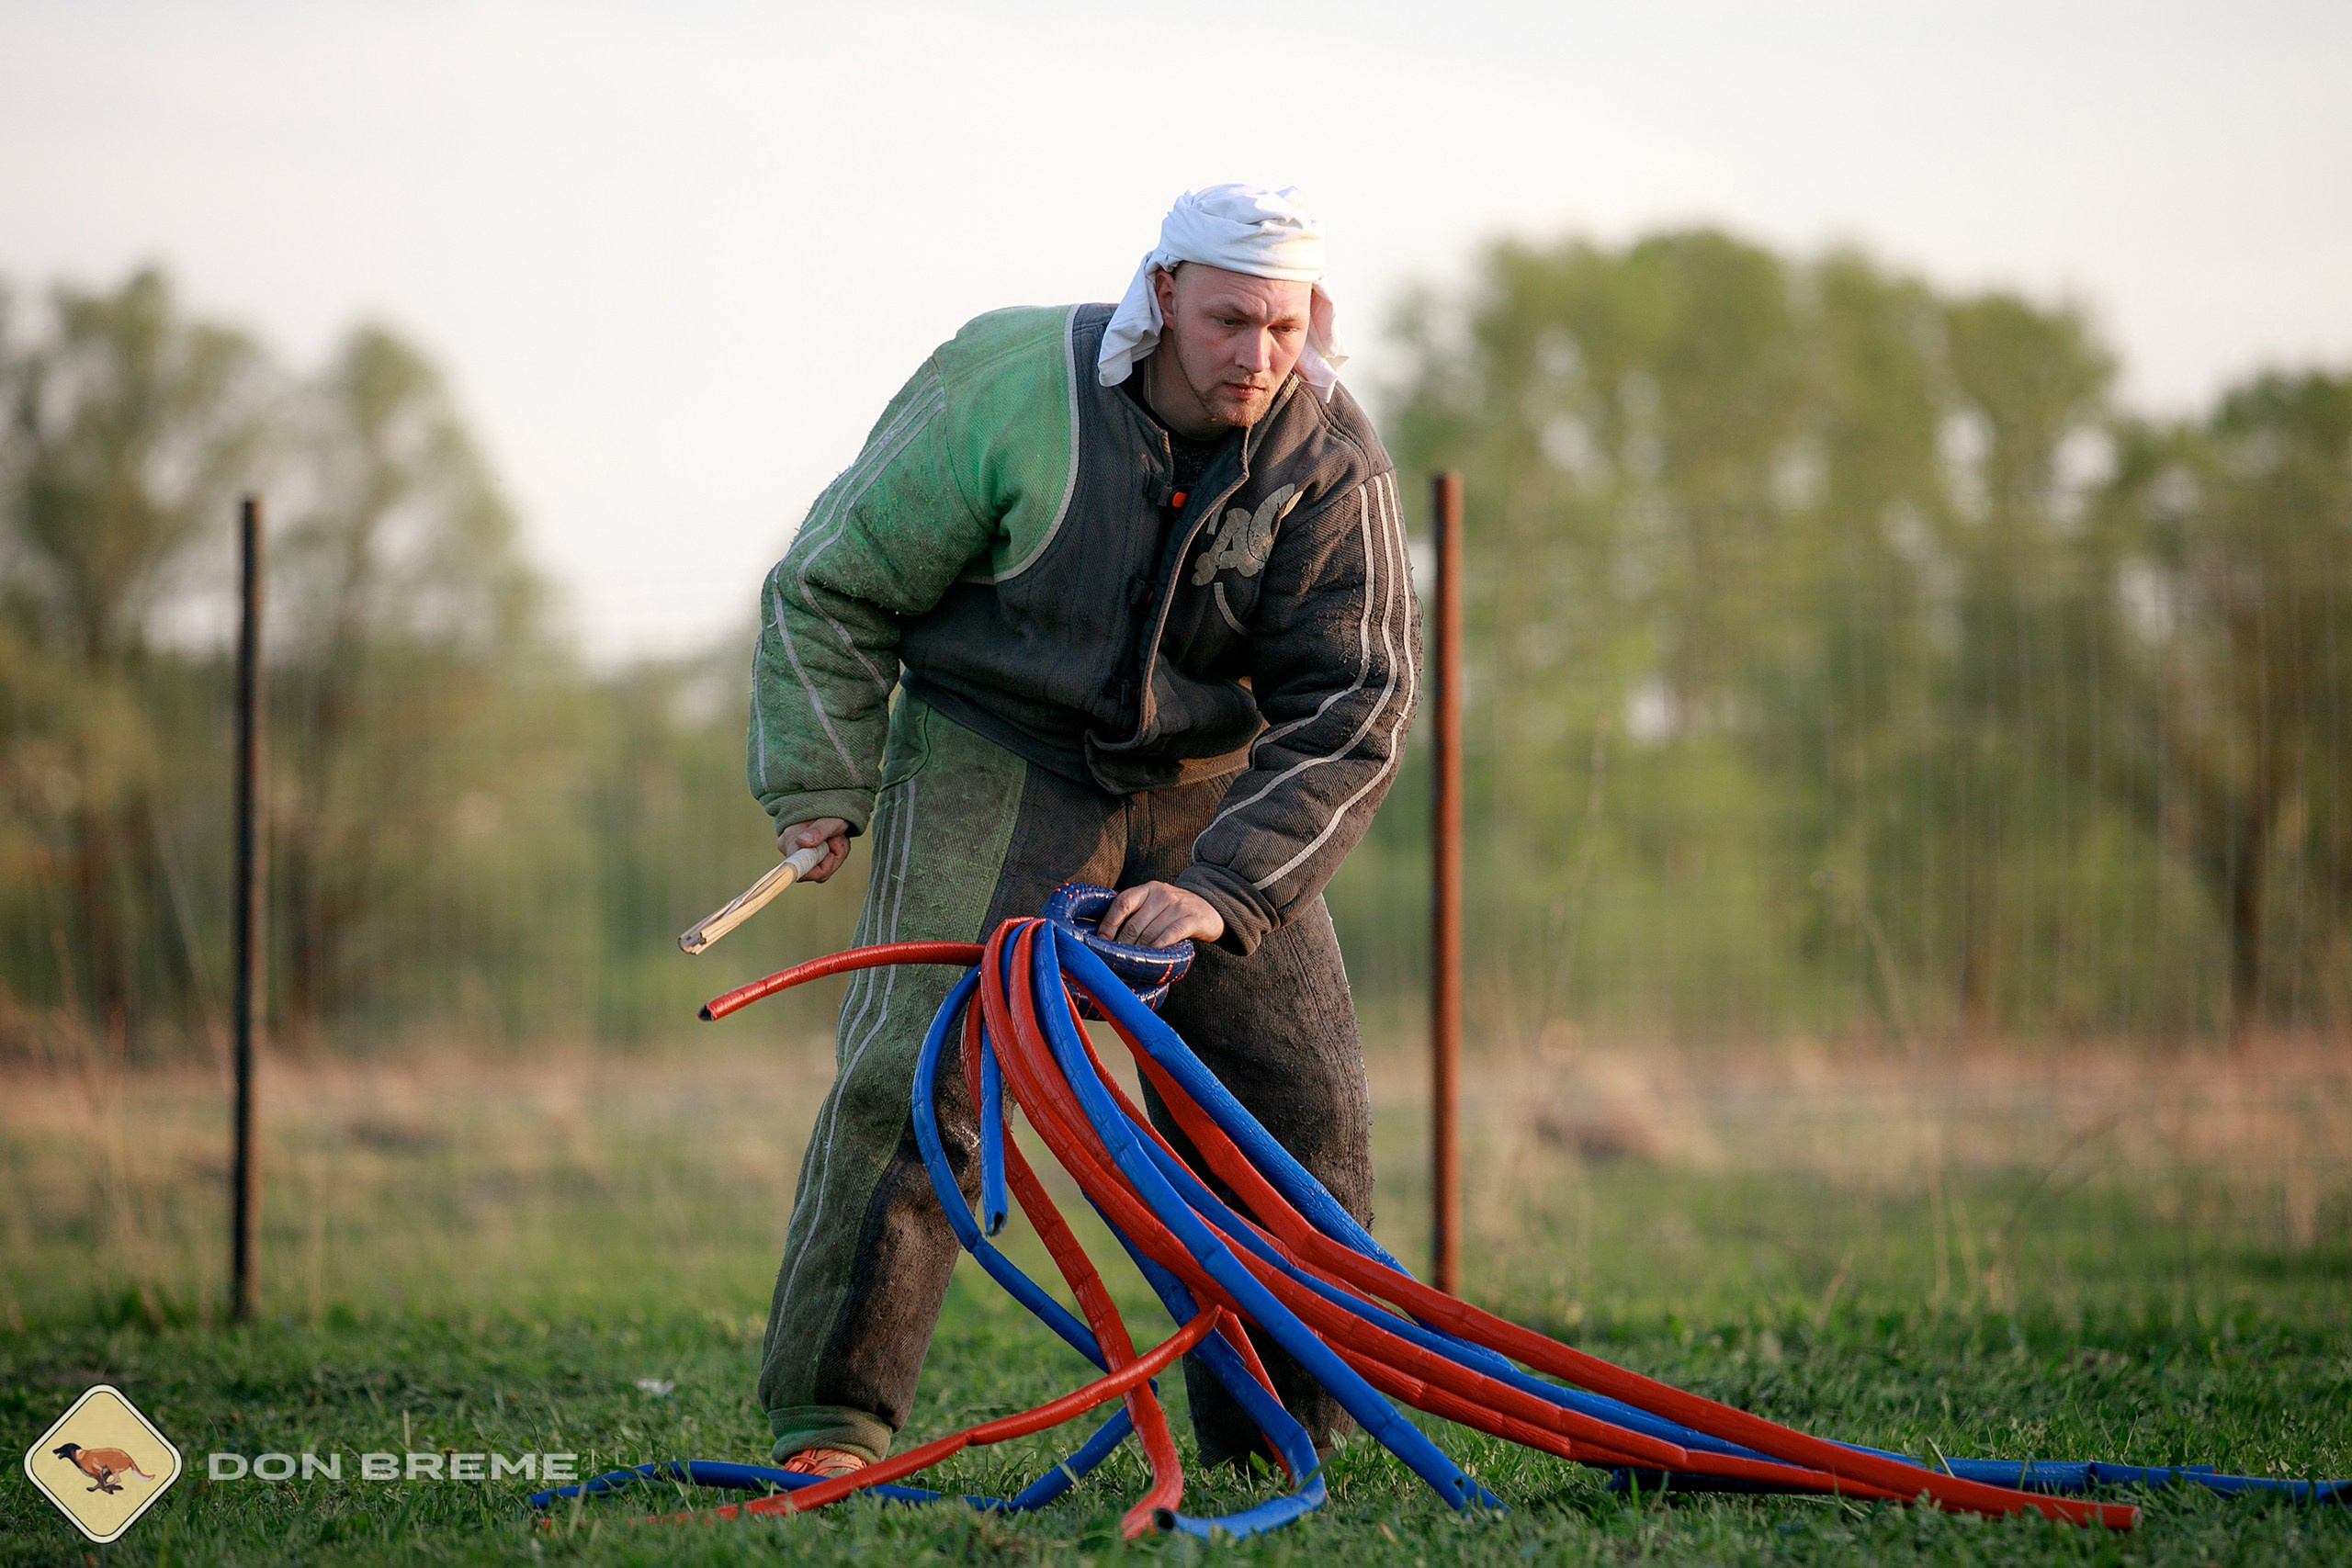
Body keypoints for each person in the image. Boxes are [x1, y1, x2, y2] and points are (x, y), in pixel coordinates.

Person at [746, 183, 1419, 1479]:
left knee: (1299, 1095)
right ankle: (833, 1422)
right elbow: (829, 588)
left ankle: (1283, 1435)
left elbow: (1364, 694)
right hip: (993, 750)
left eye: (1284, 329)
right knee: (916, 1072)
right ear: (1162, 293)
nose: (1259, 357)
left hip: (1214, 790)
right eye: (1230, 322)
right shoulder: (1007, 383)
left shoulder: (1334, 455)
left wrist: (1226, 892)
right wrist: (820, 779)